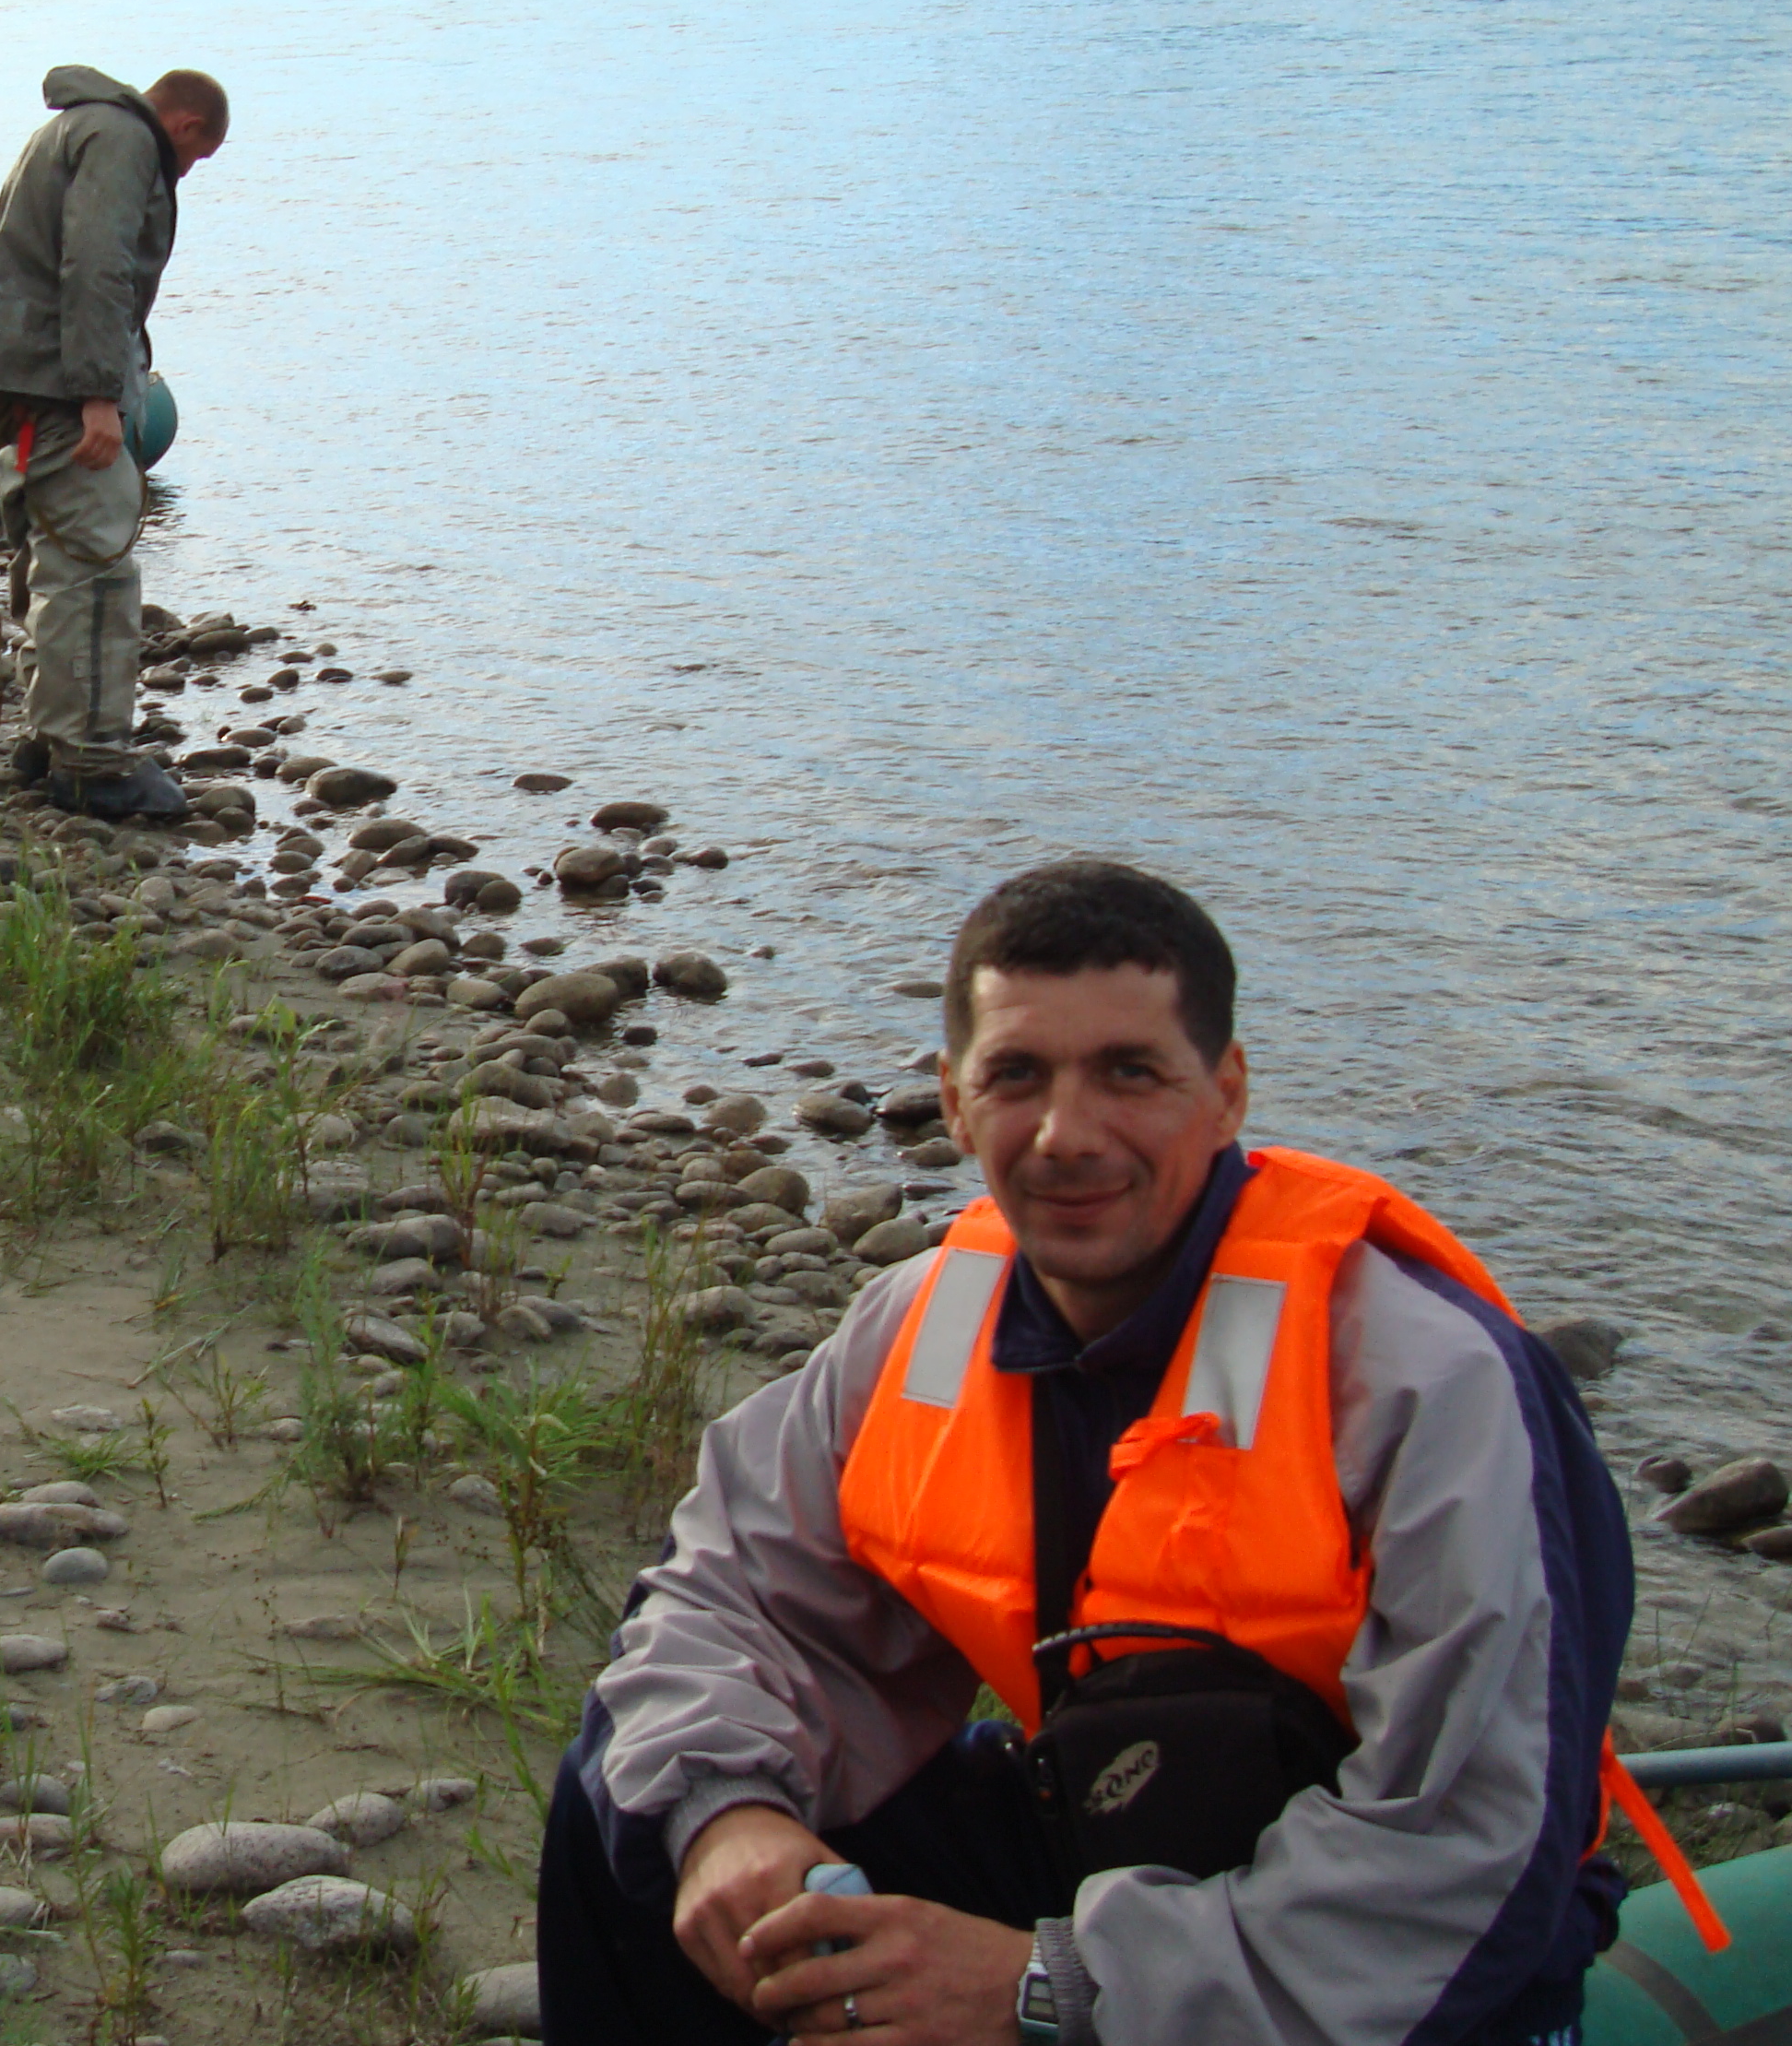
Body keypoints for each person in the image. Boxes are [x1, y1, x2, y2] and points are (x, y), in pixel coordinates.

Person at [540, 858, 1646, 2046]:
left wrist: (1044, 1986)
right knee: (627, 1804)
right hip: (1114, 1816)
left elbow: (1470, 1846)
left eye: (1130, 1072)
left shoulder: (1426, 1380)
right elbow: (732, 1596)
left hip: (1406, 1955)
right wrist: (726, 1816)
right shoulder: (924, 1323)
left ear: (1225, 1093)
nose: (1067, 1134)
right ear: (954, 1101)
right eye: (1016, 1074)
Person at [0, 63, 225, 822]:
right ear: (186, 126)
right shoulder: (124, 140)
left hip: (21, 382)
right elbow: (97, 265)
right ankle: (92, 763)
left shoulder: (70, 127)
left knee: (54, 559)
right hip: (60, 389)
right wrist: (99, 395)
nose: (188, 170)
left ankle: (50, 741)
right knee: (97, 567)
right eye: (197, 156)